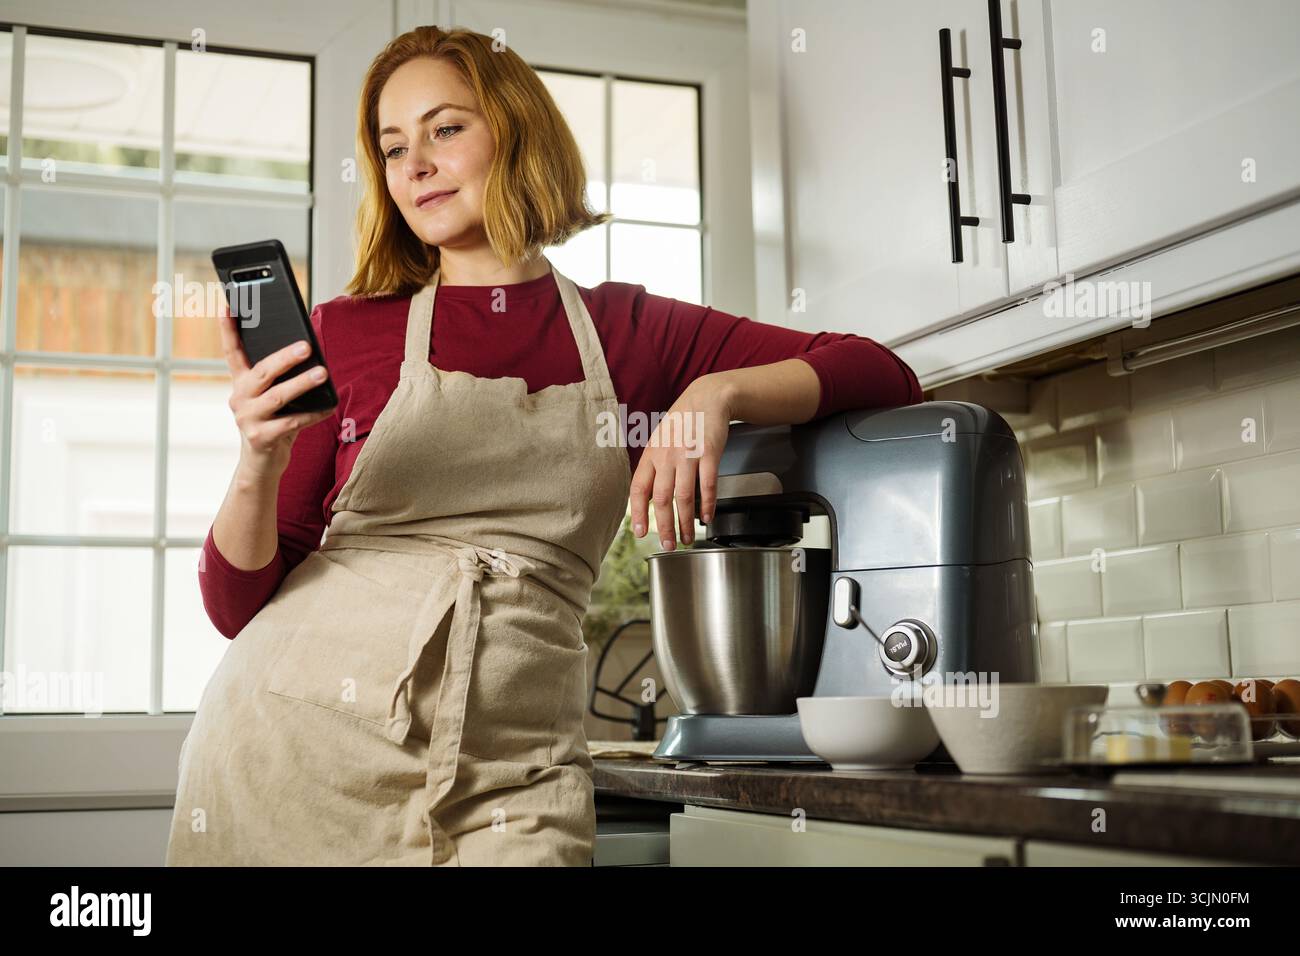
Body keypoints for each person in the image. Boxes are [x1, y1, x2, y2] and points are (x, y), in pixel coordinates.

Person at [166, 24, 922, 867]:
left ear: (516, 133)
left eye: (445, 129)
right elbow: (238, 609)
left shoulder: (633, 333)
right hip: (298, 756)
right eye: (392, 146)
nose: (414, 162)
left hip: (515, 772)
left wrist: (721, 389)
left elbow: (883, 371)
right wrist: (258, 460)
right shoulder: (350, 332)